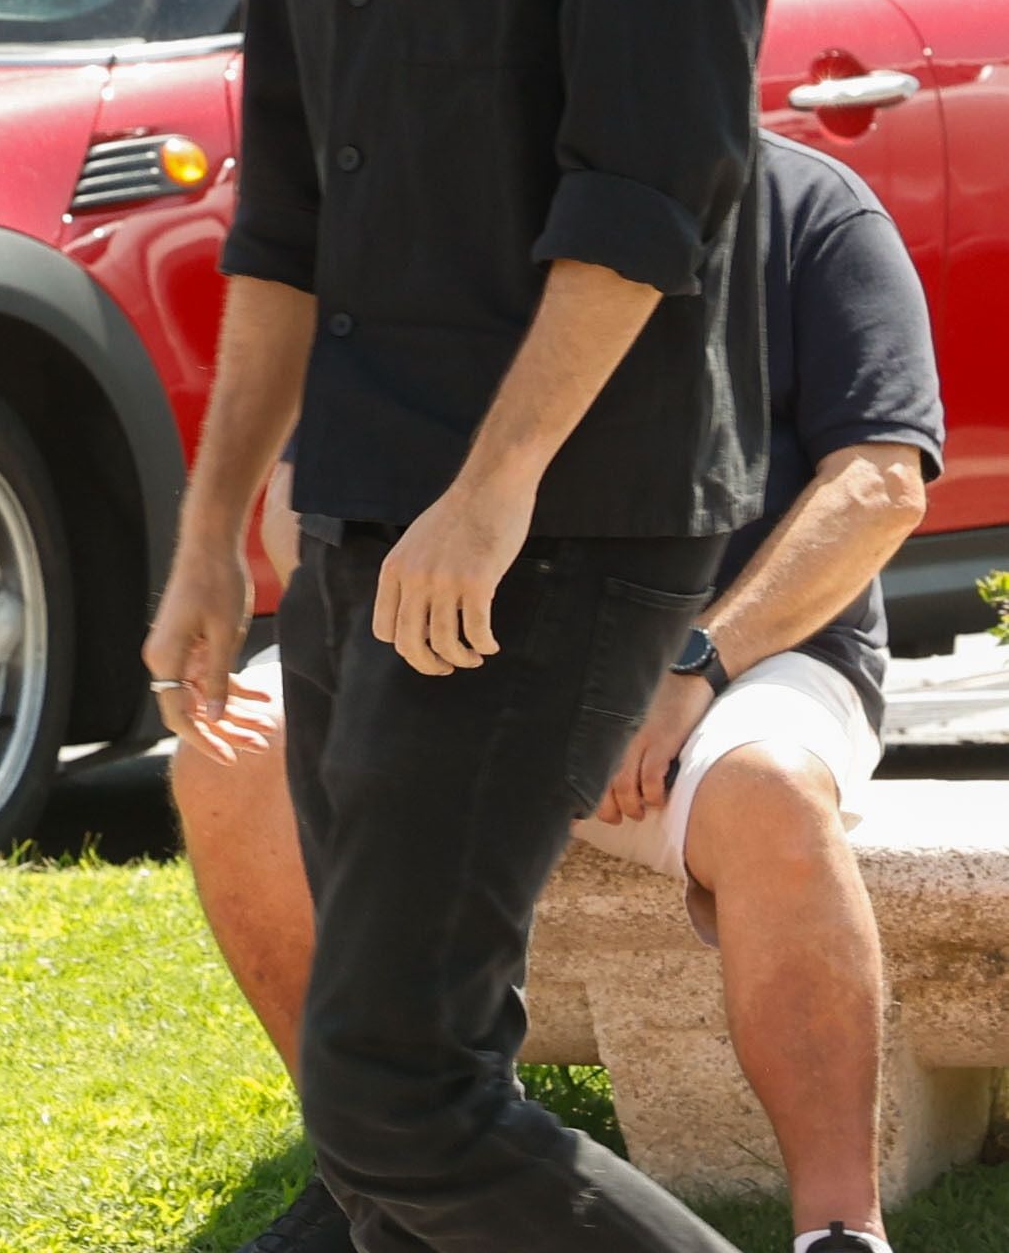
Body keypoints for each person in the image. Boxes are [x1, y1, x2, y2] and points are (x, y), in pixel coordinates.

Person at [144, 0, 790, 1251]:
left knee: (394, 1086)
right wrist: (207, 519)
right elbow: (290, 182)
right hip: (357, 504)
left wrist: (491, 483)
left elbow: (648, 176)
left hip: (558, 512)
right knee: (390, 1093)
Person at [175, 132, 943, 1253]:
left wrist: (691, 660)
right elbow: (301, 508)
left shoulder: (813, 208)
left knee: (771, 791)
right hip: (480, 661)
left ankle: (839, 1226)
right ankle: (381, 1172)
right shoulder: (443, 226)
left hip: (738, 655)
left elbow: (880, 486)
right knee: (238, 747)